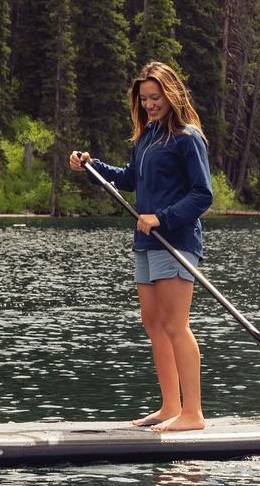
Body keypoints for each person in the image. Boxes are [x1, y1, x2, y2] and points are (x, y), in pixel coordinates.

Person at [69, 61, 213, 432]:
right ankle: (170, 406)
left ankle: (193, 413)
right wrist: (93, 167)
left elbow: (203, 194)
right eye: (144, 98)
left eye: (155, 97)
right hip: (146, 242)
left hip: (175, 241)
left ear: (172, 94)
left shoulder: (187, 137)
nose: (149, 104)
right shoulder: (147, 136)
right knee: (153, 324)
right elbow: (131, 178)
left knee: (175, 324)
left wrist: (162, 217)